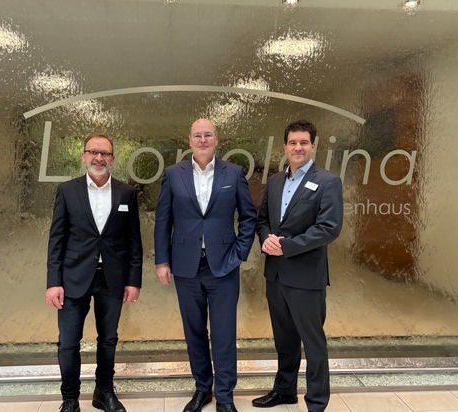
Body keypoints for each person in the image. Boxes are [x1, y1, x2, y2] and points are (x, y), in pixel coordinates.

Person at [154, 119, 257, 412]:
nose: (202, 140)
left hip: (223, 266)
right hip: (185, 266)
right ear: (189, 140)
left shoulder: (233, 173)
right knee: (194, 332)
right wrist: (162, 260)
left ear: (216, 139)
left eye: (208, 135)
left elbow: (248, 216)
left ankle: (224, 396)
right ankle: (203, 389)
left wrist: (240, 253)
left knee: (224, 333)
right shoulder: (173, 174)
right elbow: (163, 220)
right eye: (197, 135)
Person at [45, 133, 143, 412]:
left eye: (105, 153)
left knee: (108, 339)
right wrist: (53, 282)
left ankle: (104, 392)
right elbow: (57, 239)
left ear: (112, 159)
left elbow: (134, 241)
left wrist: (133, 280)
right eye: (93, 152)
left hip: (112, 278)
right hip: (73, 277)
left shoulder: (126, 193)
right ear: (84, 156)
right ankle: (70, 399)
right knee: (68, 342)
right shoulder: (67, 191)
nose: (99, 158)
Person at [253, 120, 343, 412]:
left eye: (304, 142)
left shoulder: (328, 182)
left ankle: (316, 402)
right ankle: (284, 391)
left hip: (306, 276)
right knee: (285, 340)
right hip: (276, 275)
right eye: (293, 142)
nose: (298, 147)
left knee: (313, 342)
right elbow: (263, 220)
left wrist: (286, 246)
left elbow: (328, 228)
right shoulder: (275, 181)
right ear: (284, 147)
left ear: (313, 146)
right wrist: (266, 238)